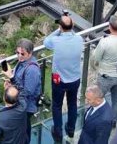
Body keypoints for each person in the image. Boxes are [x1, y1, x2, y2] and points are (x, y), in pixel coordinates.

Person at [44, 12, 83, 143]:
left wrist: (58, 30)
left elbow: (46, 42)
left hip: (59, 81)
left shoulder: (56, 40)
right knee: (72, 104)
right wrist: (67, 27)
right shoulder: (79, 39)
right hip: (74, 79)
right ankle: (71, 129)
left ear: (60, 27)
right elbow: (71, 32)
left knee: (56, 105)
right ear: (73, 26)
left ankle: (58, 132)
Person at [3, 39, 41, 136]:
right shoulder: (22, 62)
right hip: (21, 104)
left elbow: (27, 92)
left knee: (23, 131)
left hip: (27, 107)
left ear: (30, 53)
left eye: (22, 53)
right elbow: (20, 83)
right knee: (22, 130)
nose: (19, 55)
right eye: (17, 52)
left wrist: (12, 77)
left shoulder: (32, 70)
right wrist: (11, 84)